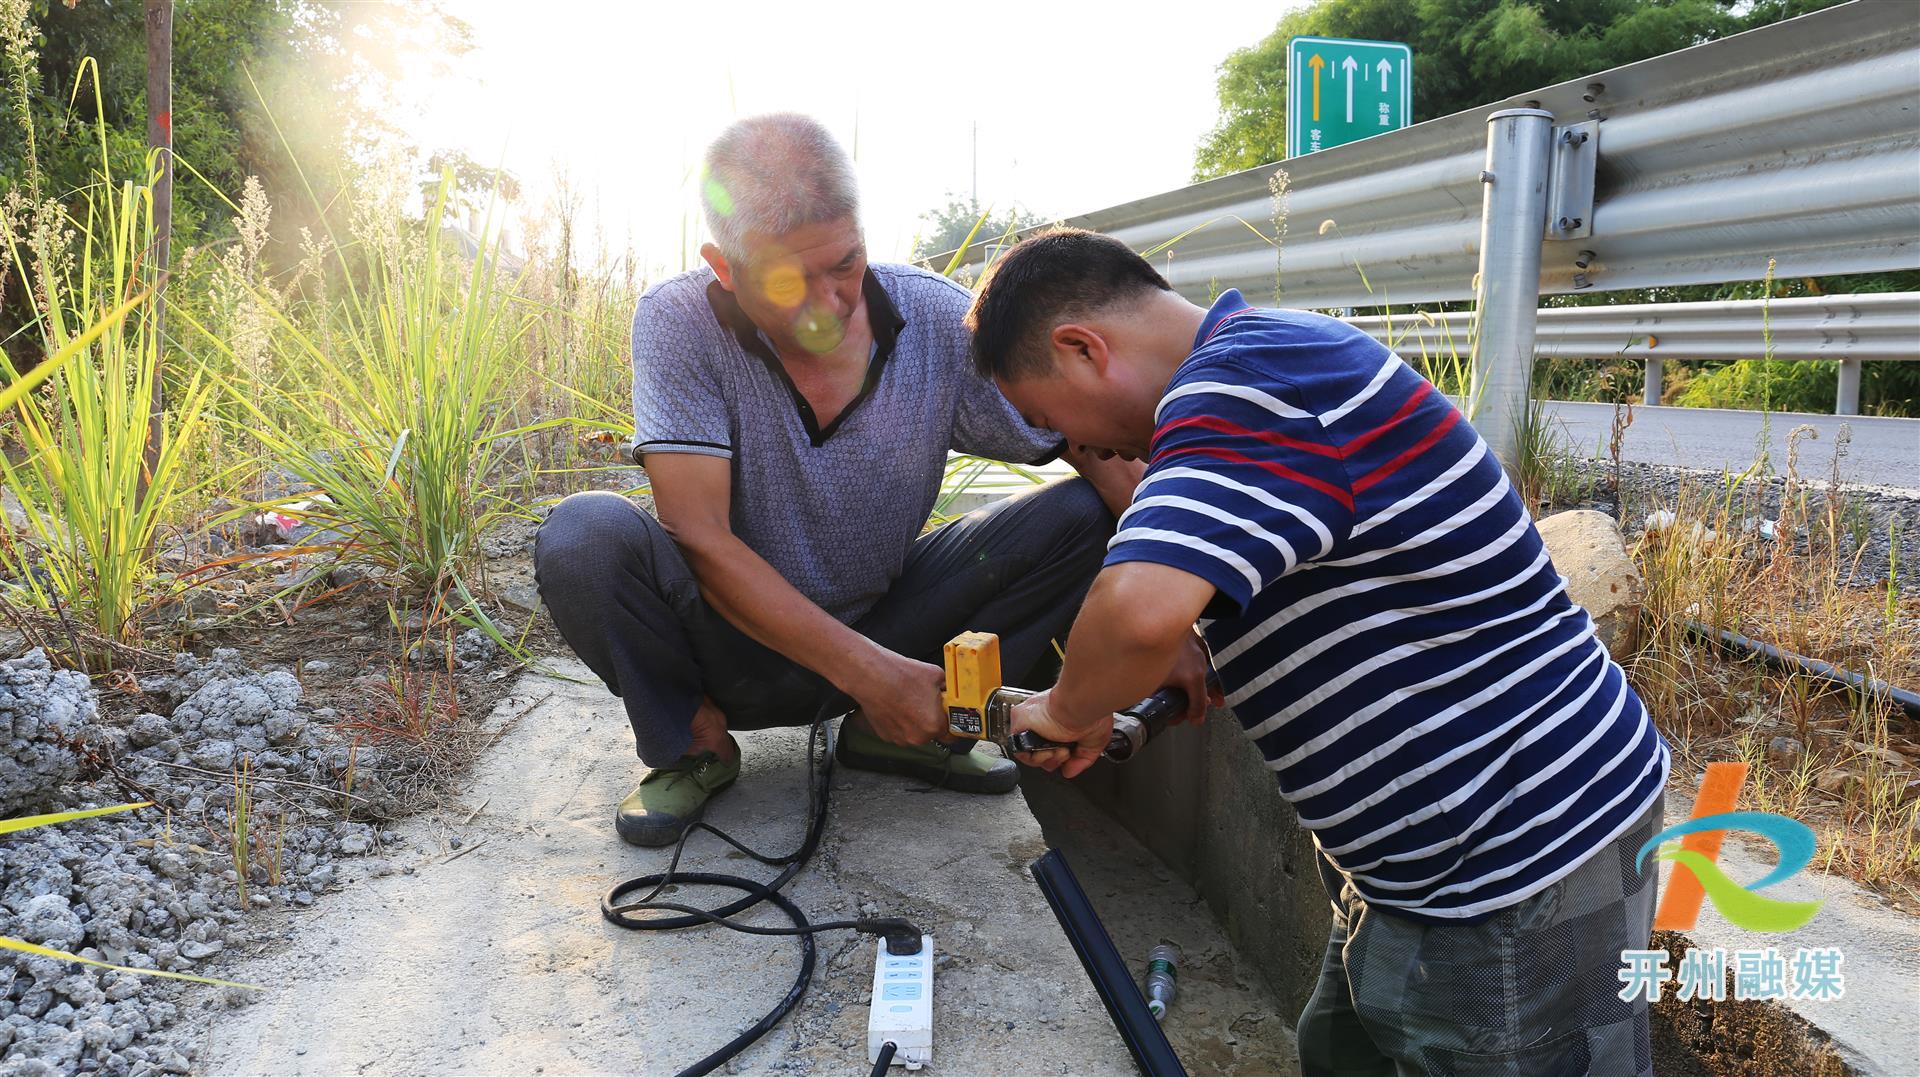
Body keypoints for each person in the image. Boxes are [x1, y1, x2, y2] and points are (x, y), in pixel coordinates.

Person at [967, 228, 1671, 1076]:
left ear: (1082, 348)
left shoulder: (1246, 382)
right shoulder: (1266, 372)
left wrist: (1066, 710)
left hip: (1520, 861)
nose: (1085, 450)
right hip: (1425, 873)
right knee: (1337, 1051)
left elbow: (1135, 614)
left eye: (1055, 423)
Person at [533, 117, 1140, 848]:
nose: (830, 303)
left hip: (885, 618)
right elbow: (698, 534)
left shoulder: (933, 318)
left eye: (846, 263)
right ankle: (696, 741)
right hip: (727, 648)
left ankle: (913, 732)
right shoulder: (679, 322)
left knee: (1081, 514)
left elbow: (1082, 431)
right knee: (582, 534)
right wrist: (872, 675)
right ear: (725, 267)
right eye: (789, 280)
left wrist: (1169, 606)